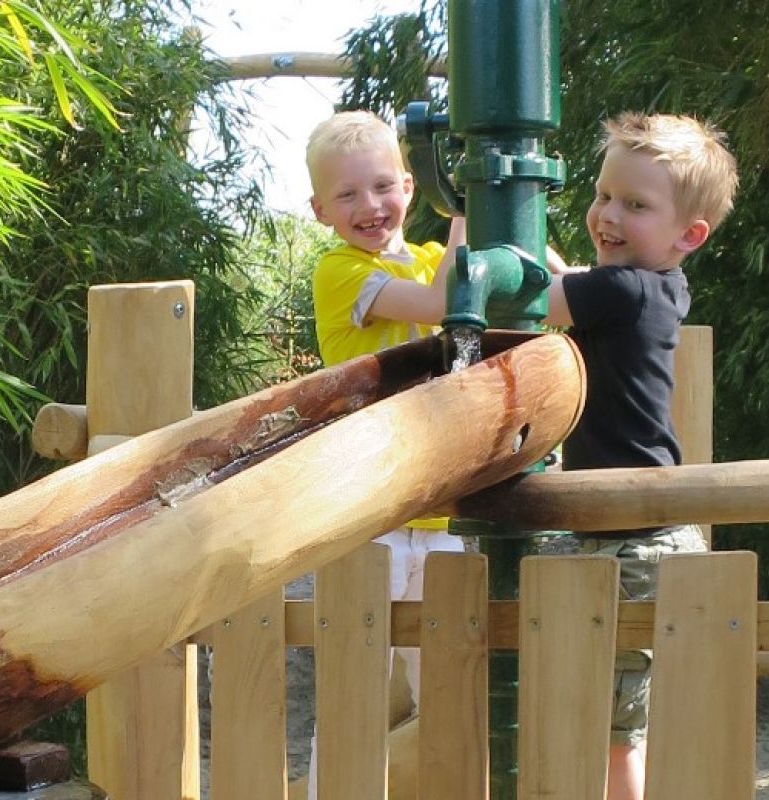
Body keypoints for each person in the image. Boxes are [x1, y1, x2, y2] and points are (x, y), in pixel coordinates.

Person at [535, 111, 738, 800]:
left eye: (634, 205)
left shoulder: (619, 290)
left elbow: (528, 295)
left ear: (688, 235)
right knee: (619, 723)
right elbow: (579, 287)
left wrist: (459, 237)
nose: (606, 214)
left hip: (630, 537)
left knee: (613, 734)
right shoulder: (659, 285)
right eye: (601, 195)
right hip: (642, 532)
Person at [303, 110, 464, 796]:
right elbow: (437, 301)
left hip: (441, 508)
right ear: (319, 210)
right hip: (369, 512)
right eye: (347, 195)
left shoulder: (432, 254)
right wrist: (466, 209)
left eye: (380, 187)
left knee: (452, 692)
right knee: (353, 691)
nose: (369, 207)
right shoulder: (340, 271)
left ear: (406, 184)